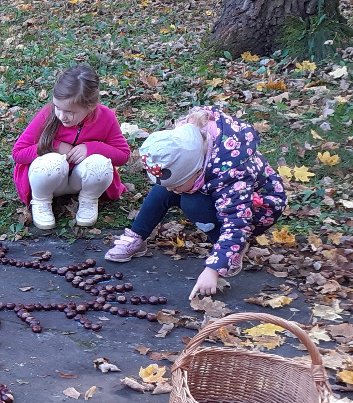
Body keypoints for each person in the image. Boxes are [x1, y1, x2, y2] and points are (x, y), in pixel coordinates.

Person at [105, 108, 287, 299]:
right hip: (214, 187)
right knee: (162, 190)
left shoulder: (232, 176)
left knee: (193, 204)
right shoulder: (187, 145)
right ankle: (137, 235)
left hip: (254, 208)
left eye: (177, 185)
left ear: (196, 172)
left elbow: (236, 223)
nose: (172, 190)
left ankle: (229, 252)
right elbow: (172, 184)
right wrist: (175, 186)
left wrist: (213, 269)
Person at [11, 63, 130, 230]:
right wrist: (54, 146)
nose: (61, 116)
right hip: (49, 179)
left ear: (91, 106)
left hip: (81, 180)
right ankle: (41, 201)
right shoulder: (47, 114)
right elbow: (18, 153)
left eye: (70, 112)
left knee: (100, 164)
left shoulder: (106, 117)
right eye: (58, 108)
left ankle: (89, 199)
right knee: (51, 162)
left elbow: (123, 155)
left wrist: (92, 148)